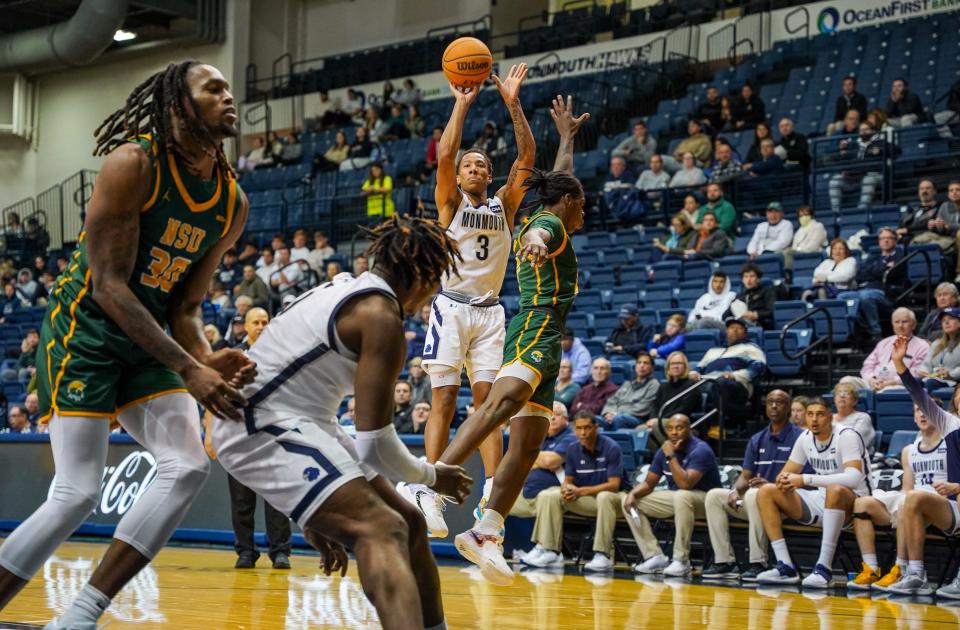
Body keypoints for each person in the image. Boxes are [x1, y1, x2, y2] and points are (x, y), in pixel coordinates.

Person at [0, 61, 258, 628]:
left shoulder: (230, 202)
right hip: (86, 331)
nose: (228, 96)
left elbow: (185, 308)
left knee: (188, 465)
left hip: (149, 341)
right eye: (212, 89)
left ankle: (81, 615)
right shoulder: (133, 164)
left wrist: (206, 354)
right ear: (177, 107)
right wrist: (190, 369)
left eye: (228, 89)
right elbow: (110, 287)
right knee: (75, 493)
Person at [211, 216, 472, 630]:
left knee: (411, 523)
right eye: (436, 279)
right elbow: (375, 445)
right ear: (421, 273)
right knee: (382, 528)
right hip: (256, 421)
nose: (433, 293)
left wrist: (316, 513)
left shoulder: (353, 287)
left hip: (303, 418)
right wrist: (431, 475)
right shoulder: (379, 315)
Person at [416, 117, 587, 585]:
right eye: (582, 204)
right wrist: (533, 240)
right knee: (493, 406)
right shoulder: (546, 222)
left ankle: (486, 530)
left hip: (516, 324)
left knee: (528, 445)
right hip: (529, 325)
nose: (585, 212)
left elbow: (558, 186)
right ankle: (433, 482)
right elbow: (546, 227)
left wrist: (567, 139)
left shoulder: (532, 207)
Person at [398, 65, 540, 541]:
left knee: (489, 404)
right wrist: (461, 102)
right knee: (442, 399)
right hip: (451, 307)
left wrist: (512, 103)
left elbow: (528, 155)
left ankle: (490, 494)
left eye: (483, 165)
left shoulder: (505, 204)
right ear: (459, 175)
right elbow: (445, 153)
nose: (477, 168)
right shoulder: (449, 203)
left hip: (491, 311)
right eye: (469, 165)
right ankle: (430, 489)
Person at [755, 397, 871, 587]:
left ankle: (824, 568)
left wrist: (805, 480)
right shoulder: (805, 437)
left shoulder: (847, 435)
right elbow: (785, 473)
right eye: (810, 414)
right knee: (767, 491)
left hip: (858, 504)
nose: (814, 419)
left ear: (830, 417)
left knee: (834, 489)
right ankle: (786, 566)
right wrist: (783, 480)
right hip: (822, 500)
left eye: (820, 414)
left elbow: (853, 478)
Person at [851, 382, 948, 592]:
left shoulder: (950, 443)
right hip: (912, 500)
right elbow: (907, 487)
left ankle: (900, 568)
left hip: (938, 503)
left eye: (927, 411)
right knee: (862, 503)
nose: (922, 415)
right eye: (917, 411)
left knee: (909, 500)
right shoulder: (908, 451)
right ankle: (872, 569)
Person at [883, 336, 960, 597]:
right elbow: (918, 393)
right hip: (953, 505)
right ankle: (915, 574)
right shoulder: (950, 424)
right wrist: (899, 363)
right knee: (912, 498)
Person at [702, 390, 804, 580]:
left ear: (789, 407)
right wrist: (734, 490)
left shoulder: (801, 437)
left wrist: (771, 486)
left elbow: (803, 479)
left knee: (755, 494)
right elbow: (746, 475)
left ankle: (759, 562)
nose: (774, 406)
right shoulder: (757, 439)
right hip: (754, 504)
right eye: (770, 402)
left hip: (786, 504)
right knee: (714, 496)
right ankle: (725, 562)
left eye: (779, 402)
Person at [223, 307, 292, 570]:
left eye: (265, 321)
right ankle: (245, 551)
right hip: (239, 435)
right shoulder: (231, 356)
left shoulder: (282, 355)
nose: (261, 326)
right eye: (256, 322)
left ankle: (281, 551)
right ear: (246, 326)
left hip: (273, 434)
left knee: (277, 498)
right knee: (241, 500)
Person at [521, 411, 629, 571]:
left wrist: (579, 491)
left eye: (587, 428)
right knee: (549, 494)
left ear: (596, 427)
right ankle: (548, 549)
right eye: (579, 428)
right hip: (587, 498)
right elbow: (568, 480)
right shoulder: (573, 449)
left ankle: (603, 554)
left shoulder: (611, 447)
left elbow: (614, 485)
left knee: (605, 497)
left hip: (614, 500)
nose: (583, 433)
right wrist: (566, 489)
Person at [623, 413, 723, 577]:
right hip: (679, 499)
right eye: (670, 429)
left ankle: (681, 560)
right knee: (628, 502)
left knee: (682, 495)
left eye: (679, 428)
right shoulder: (665, 450)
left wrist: (670, 456)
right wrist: (632, 494)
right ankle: (654, 555)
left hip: (707, 502)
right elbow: (649, 483)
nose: (674, 433)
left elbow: (686, 484)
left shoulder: (700, 450)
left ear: (689, 430)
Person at [508, 402, 577, 555]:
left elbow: (550, 461)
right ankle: (484, 543)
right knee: (493, 501)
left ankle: (546, 550)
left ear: (566, 419)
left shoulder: (571, 437)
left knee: (548, 497)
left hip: (556, 492)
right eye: (549, 414)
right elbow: (521, 462)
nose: (552, 418)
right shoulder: (541, 437)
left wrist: (530, 457)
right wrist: (534, 459)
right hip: (528, 494)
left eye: (557, 414)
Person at [690, 318, 767, 422]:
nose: (735, 330)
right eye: (732, 328)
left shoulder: (751, 348)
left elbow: (759, 367)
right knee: (685, 383)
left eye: (739, 328)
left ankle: (716, 425)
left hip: (736, 385)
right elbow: (699, 368)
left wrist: (734, 375)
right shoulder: (713, 351)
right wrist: (694, 373)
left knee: (719, 383)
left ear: (745, 333)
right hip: (708, 382)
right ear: (727, 331)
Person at [837, 228, 904, 343]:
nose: (886, 241)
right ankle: (857, 327)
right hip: (863, 290)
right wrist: (882, 268)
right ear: (879, 241)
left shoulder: (899, 257)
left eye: (889, 238)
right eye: (883, 238)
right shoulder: (873, 257)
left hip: (885, 294)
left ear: (895, 241)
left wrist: (874, 271)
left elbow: (891, 274)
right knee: (842, 297)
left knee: (866, 296)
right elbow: (860, 275)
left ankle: (876, 331)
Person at [856, 308, 930, 391]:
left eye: (904, 322)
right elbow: (867, 366)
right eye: (897, 322)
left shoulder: (922, 346)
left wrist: (889, 383)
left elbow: (917, 373)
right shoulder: (883, 343)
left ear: (914, 324)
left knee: (886, 391)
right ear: (892, 324)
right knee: (847, 382)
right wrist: (872, 379)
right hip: (874, 382)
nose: (900, 326)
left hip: (900, 385)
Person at [828, 122, 887, 213]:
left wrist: (881, 151)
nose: (863, 132)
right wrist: (842, 152)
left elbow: (896, 150)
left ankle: (860, 212)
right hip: (854, 177)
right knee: (834, 181)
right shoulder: (853, 145)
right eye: (861, 130)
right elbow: (843, 161)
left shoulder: (879, 142)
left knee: (868, 180)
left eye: (866, 129)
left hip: (873, 175)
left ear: (873, 131)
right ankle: (836, 213)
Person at [644, 352, 699, 445]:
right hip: (662, 422)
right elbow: (655, 405)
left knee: (657, 425)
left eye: (679, 363)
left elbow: (684, 409)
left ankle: (673, 454)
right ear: (668, 367)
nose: (676, 366)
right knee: (640, 430)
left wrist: (659, 420)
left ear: (685, 366)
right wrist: (654, 418)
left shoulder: (691, 385)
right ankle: (663, 455)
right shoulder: (663, 386)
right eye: (673, 363)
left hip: (683, 424)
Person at [600, 353, 659, 430]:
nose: (642, 366)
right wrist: (608, 413)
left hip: (637, 418)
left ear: (652, 368)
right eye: (639, 363)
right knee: (596, 420)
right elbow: (612, 401)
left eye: (646, 363)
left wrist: (617, 413)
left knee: (619, 419)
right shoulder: (627, 384)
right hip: (617, 415)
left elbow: (644, 407)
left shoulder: (654, 384)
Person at [919, 307, 960, 388]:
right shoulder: (936, 343)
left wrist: (950, 373)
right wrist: (925, 372)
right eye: (944, 320)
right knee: (915, 382)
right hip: (934, 378)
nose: (947, 322)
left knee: (931, 383)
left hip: (954, 381)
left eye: (951, 319)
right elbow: (926, 364)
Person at [831, 382, 875, 456]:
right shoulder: (828, 418)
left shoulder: (862, 418)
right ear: (834, 400)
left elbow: (855, 443)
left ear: (855, 401)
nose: (842, 396)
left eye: (847, 393)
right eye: (839, 393)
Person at [728, 263, 775, 329]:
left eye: (752, 276)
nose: (748, 279)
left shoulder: (766, 291)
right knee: (711, 323)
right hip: (739, 324)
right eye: (745, 276)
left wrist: (756, 315)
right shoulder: (740, 296)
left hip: (758, 325)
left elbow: (771, 311)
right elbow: (726, 314)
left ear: (758, 279)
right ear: (742, 280)